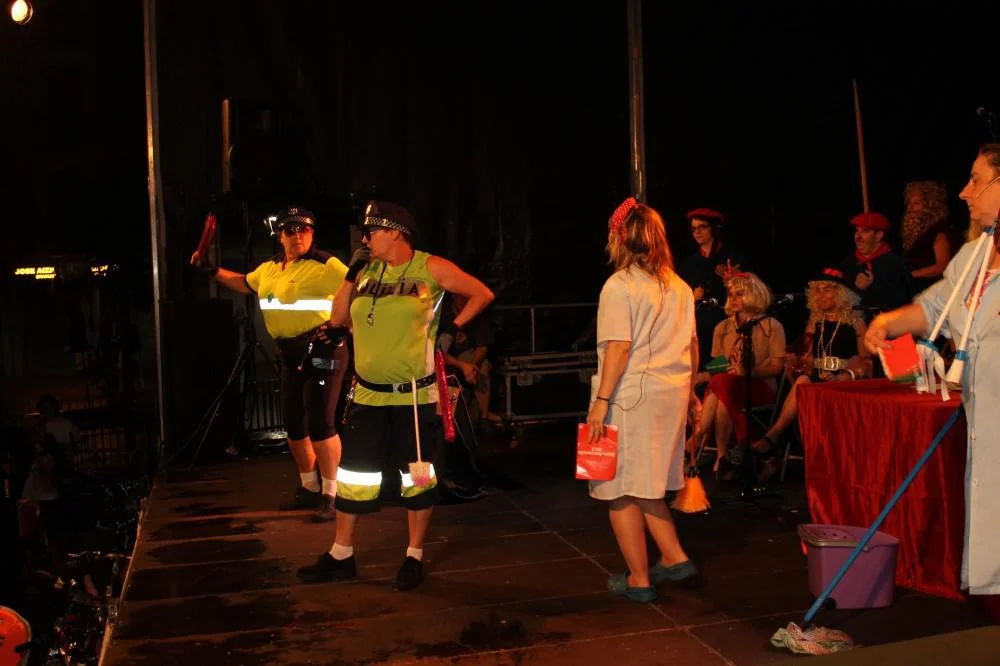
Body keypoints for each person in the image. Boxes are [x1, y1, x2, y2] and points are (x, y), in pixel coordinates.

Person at [296, 200, 494, 591]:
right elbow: (337, 319)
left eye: (372, 232)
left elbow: (481, 293)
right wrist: (350, 275)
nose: (365, 239)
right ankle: (341, 554)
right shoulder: (366, 271)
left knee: (417, 478)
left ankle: (414, 555)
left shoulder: (429, 267)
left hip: (413, 398)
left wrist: (451, 328)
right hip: (368, 396)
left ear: (395, 233)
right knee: (355, 476)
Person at [865, 143, 1000, 610]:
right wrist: (887, 322)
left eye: (976, 180)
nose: (964, 191)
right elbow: (936, 306)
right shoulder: (974, 256)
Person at [191, 206, 348, 522]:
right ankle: (309, 488)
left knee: (321, 425)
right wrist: (212, 270)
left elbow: (359, 288)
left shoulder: (327, 264)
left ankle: (332, 496)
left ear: (312, 233)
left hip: (323, 349)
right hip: (288, 353)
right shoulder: (269, 269)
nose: (297, 235)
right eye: (290, 230)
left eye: (304, 229)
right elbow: (244, 283)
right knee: (293, 425)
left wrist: (342, 325)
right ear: (280, 236)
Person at [584, 197, 699, 603]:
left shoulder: (620, 286)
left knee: (617, 488)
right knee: (647, 482)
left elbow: (619, 346)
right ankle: (673, 556)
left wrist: (600, 401)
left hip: (631, 396)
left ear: (620, 238)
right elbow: (692, 346)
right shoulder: (680, 286)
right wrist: (692, 394)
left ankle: (639, 578)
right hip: (671, 394)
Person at [752, 267, 870, 483]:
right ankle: (773, 449)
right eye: (818, 290)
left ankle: (772, 438)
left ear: (841, 293)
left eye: (827, 290)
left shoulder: (856, 322)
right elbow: (806, 357)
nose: (821, 295)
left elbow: (866, 362)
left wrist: (843, 375)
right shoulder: (815, 322)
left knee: (804, 384)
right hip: (816, 380)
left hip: (843, 384)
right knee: (803, 382)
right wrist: (797, 362)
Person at [689, 272, 786, 480]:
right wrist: (703, 376)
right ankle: (724, 458)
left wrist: (748, 372)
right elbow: (719, 367)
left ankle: (700, 436)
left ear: (754, 295)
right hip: (728, 387)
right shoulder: (722, 328)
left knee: (720, 385)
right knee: (722, 385)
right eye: (731, 294)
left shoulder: (772, 326)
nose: (733, 299)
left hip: (759, 387)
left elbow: (777, 367)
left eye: (739, 294)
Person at [677, 208, 748, 372]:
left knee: (722, 369)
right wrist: (691, 296)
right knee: (702, 371)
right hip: (701, 330)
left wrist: (734, 280)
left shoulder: (733, 258)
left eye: (702, 227)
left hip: (727, 326)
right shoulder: (688, 265)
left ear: (714, 229)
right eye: (694, 228)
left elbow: (751, 292)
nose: (697, 232)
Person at [839, 212, 914, 317]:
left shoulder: (893, 263)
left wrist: (870, 287)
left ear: (878, 235)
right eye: (856, 231)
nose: (858, 237)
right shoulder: (849, 262)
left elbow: (900, 300)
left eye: (865, 231)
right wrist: (856, 288)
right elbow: (842, 299)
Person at [901, 181, 953, 293]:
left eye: (916, 203)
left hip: (930, 290)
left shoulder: (939, 231)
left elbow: (942, 266)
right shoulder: (916, 231)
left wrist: (911, 275)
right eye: (909, 203)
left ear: (930, 206)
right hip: (913, 287)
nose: (910, 208)